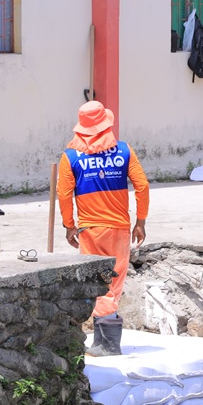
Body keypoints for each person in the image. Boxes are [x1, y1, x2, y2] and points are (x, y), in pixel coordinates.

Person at [57, 101, 150, 356]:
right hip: (120, 228)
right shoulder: (124, 151)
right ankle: (103, 343)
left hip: (89, 230)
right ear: (106, 124)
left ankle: (107, 345)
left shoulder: (71, 157)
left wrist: (69, 226)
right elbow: (142, 186)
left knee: (97, 283)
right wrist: (140, 222)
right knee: (113, 282)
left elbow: (64, 194)